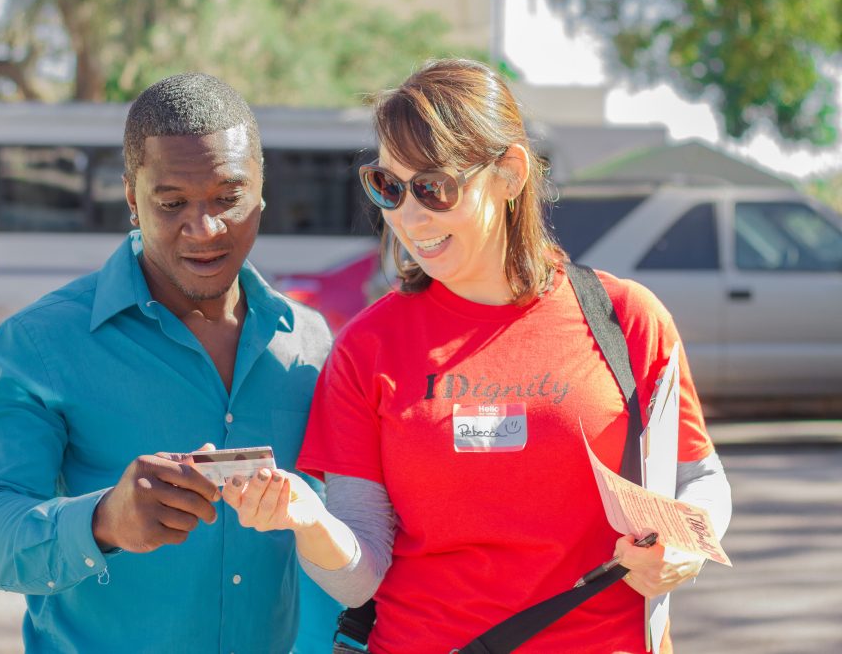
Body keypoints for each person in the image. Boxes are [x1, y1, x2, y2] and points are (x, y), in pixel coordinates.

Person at [222, 59, 733, 654]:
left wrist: (682, 546)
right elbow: (361, 574)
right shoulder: (367, 347)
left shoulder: (627, 319)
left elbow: (701, 477)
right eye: (387, 185)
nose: (409, 217)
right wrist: (308, 521)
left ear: (510, 174)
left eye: (434, 188)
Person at [0, 72, 340, 653]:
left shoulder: (310, 343)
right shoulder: (38, 344)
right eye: (172, 203)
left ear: (262, 194)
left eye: (228, 198)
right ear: (133, 200)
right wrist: (104, 521)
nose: (205, 228)